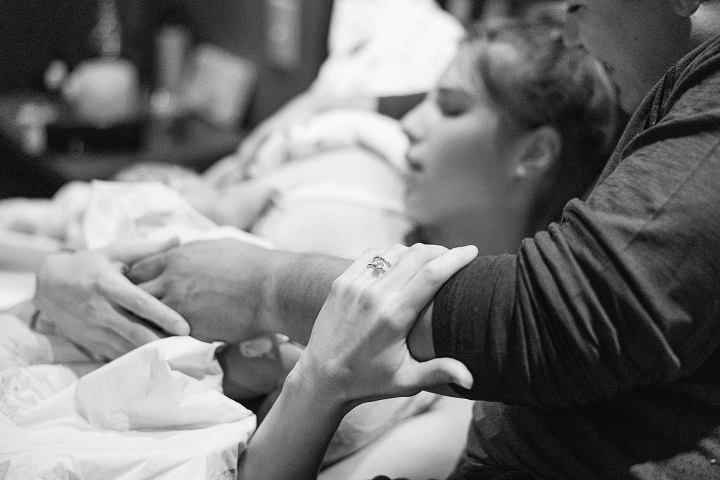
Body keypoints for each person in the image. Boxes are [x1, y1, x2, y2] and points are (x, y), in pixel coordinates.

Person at [74, 0, 720, 478]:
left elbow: (570, 312)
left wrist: (298, 338)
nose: (575, 28)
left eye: (451, 106)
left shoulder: (454, 359)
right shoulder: (394, 231)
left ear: (535, 154)